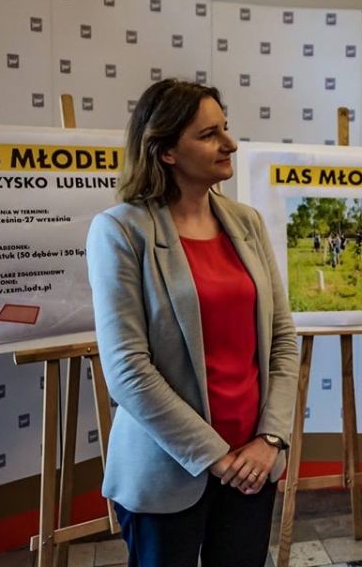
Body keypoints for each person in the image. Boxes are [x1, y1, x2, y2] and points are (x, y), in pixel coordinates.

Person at [86, 79, 299, 567]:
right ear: (166, 151)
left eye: (226, 128)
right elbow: (127, 370)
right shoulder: (120, 231)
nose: (230, 144)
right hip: (167, 471)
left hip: (254, 464)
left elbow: (282, 341)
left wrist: (270, 439)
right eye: (209, 135)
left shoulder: (247, 222)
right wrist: (216, 457)